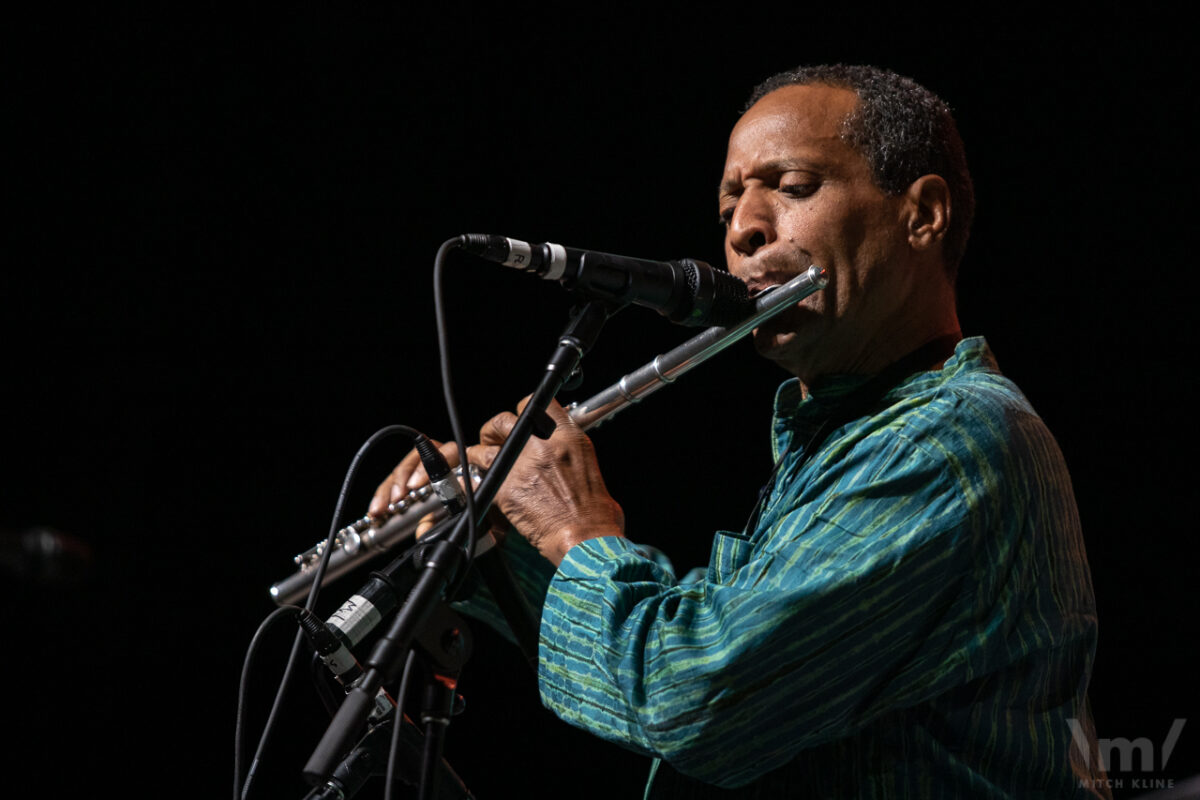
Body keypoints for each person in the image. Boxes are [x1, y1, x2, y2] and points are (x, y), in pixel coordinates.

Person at [371, 64, 1109, 798]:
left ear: (922, 215)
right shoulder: (849, 440)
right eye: (729, 206)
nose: (745, 229)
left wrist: (578, 531)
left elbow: (693, 701)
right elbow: (670, 675)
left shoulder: (945, 444)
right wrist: (486, 542)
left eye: (792, 188)